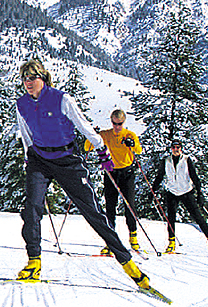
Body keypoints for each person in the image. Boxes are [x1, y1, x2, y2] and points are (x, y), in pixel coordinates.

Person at [15, 59, 149, 290]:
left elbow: (83, 125)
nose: (28, 82)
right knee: (31, 208)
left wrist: (101, 148)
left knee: (92, 211)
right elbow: (25, 131)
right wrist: (29, 156)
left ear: (43, 78)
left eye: (32, 77)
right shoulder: (22, 104)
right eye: (25, 78)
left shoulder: (61, 99)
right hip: (39, 159)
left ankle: (128, 264)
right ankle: (33, 262)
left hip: (67, 160)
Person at [84, 109, 142, 256]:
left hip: (127, 173)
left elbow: (139, 150)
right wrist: (92, 135)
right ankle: (111, 242)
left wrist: (132, 144)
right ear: (111, 121)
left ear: (124, 122)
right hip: (111, 173)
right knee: (110, 207)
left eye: (120, 124)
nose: (117, 127)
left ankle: (133, 238)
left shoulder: (129, 134)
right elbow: (87, 147)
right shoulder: (106, 134)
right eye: (115, 123)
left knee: (129, 205)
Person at [150, 139, 208, 254]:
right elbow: (159, 177)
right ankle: (171, 243)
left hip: (186, 192)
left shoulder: (186, 159)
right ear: (171, 149)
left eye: (178, 147)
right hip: (172, 192)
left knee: (198, 217)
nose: (176, 149)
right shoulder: (166, 160)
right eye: (173, 147)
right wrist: (152, 191)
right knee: (170, 218)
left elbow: (194, 176)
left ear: (181, 148)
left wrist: (199, 193)